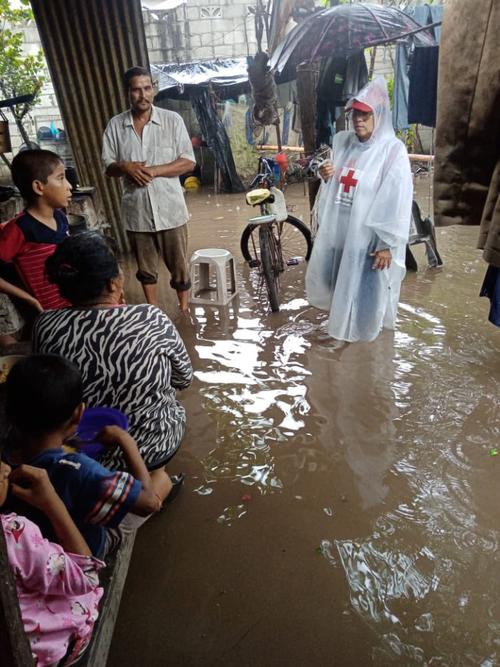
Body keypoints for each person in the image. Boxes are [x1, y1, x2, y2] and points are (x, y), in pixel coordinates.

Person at [33, 231, 193, 473]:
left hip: (82, 455)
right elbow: (184, 378)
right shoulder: (151, 318)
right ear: (112, 282)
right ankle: (158, 481)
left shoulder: (45, 325)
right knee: (171, 401)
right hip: (154, 449)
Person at [3, 354, 172, 558]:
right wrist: (125, 440)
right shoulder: (81, 470)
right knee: (162, 479)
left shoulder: (7, 455)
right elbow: (148, 503)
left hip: (34, 542)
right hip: (81, 550)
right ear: (79, 413)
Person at [305, 76, 413, 343]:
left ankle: (364, 348)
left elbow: (397, 199)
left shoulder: (392, 150)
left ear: (378, 115)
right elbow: (338, 182)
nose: (358, 120)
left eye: (365, 114)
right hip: (341, 233)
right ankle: (339, 333)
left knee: (367, 293)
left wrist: (387, 243)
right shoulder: (344, 143)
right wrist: (326, 173)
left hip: (369, 240)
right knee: (338, 284)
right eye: (355, 114)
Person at [102, 66, 196, 311]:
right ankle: (153, 311)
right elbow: (108, 168)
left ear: (153, 89)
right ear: (127, 93)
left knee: (179, 266)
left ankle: (184, 312)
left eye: (147, 88)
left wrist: (154, 170)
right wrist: (124, 166)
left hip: (171, 210)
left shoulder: (172, 120)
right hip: (137, 212)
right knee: (146, 269)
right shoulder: (115, 126)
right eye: (136, 90)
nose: (142, 95)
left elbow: (188, 161)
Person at [0, 462, 104, 666]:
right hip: (45, 652)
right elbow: (88, 577)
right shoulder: (14, 534)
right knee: (98, 537)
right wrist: (52, 502)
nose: (5, 469)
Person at [0, 149, 71, 310]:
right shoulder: (19, 229)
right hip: (50, 316)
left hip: (75, 304)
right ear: (39, 187)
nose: (69, 186)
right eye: (61, 178)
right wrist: (29, 300)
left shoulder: (60, 217)